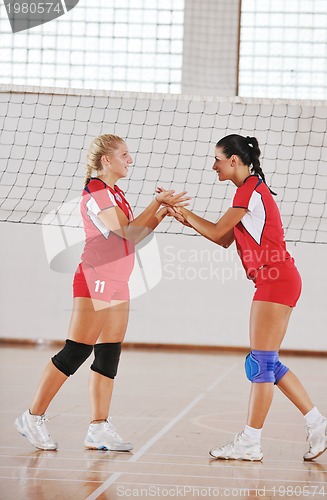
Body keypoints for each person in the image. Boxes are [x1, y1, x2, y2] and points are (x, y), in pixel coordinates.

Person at [15, 134, 189, 452]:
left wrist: (162, 213)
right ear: (106, 160)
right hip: (94, 277)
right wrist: (157, 204)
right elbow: (125, 231)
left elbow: (133, 237)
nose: (130, 160)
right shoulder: (96, 191)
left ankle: (98, 428)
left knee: (109, 353)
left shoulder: (117, 193)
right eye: (125, 155)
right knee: (77, 350)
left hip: (119, 278)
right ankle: (32, 416)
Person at [167, 134, 327, 462]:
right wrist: (182, 216)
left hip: (275, 279)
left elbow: (214, 232)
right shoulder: (251, 189)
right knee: (266, 362)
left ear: (234, 161)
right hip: (279, 278)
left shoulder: (248, 189)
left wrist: (182, 212)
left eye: (218, 160)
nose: (214, 166)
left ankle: (250, 442)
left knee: (262, 364)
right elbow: (224, 239)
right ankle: (317, 424)